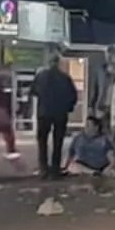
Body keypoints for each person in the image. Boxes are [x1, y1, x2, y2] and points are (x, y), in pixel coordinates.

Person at [31, 49, 78, 178]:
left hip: (44, 112)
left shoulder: (41, 76)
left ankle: (43, 168)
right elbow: (73, 96)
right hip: (60, 113)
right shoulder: (65, 78)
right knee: (58, 142)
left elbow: (33, 91)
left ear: (49, 62)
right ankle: (55, 169)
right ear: (58, 63)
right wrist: (68, 107)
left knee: (42, 141)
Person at [0, 60, 24, 178]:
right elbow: (7, 101)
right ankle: (14, 160)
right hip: (2, 116)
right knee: (9, 139)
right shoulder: (5, 83)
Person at [92, 45, 115, 135]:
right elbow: (96, 88)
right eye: (108, 55)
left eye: (112, 55)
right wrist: (92, 105)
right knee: (101, 130)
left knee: (114, 132)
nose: (109, 57)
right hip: (102, 104)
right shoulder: (100, 70)